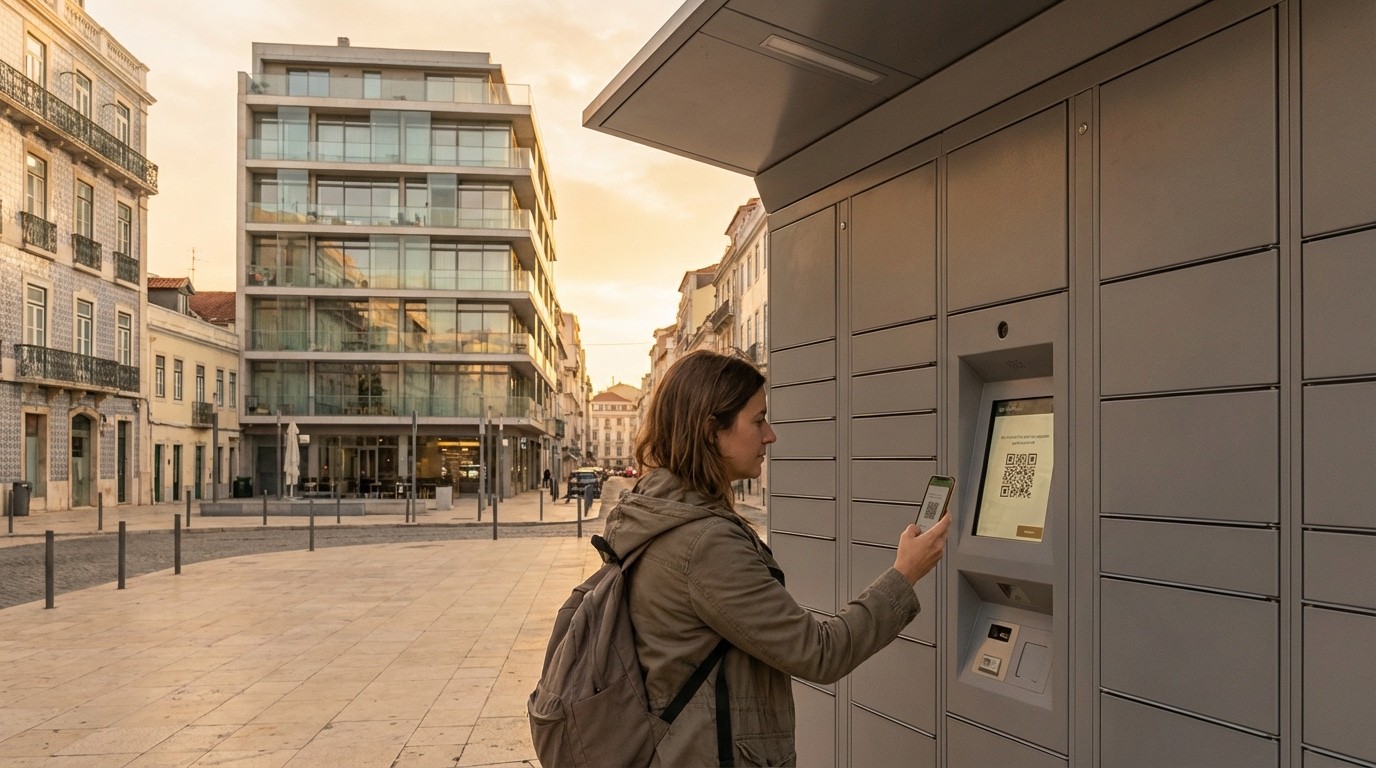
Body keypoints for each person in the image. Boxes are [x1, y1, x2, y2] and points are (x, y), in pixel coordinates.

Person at [600, 350, 950, 766]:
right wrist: (905, 574)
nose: (770, 435)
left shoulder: (654, 509)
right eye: (758, 419)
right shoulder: (704, 544)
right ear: (713, 431)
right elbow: (821, 652)